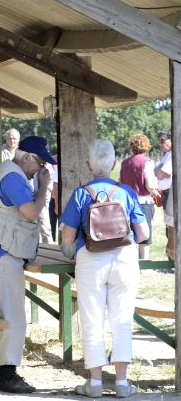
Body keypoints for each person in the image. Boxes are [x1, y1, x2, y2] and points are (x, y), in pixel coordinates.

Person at [60, 139, 148, 398]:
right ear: (114, 164)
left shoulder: (80, 193)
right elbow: (142, 234)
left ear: (88, 165)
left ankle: (95, 384)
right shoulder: (127, 192)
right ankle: (122, 383)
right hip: (124, 259)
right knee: (122, 319)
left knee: (92, 319)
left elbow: (66, 237)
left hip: (91, 260)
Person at [0, 135, 55, 393]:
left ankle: (5, 373)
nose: (41, 168)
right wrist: (45, 185)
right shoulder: (12, 176)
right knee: (14, 318)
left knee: (9, 315)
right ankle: (7, 376)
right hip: (0, 254)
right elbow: (33, 211)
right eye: (39, 162)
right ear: (26, 157)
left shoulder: (11, 173)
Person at [119, 134, 157, 260]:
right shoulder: (147, 163)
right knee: (145, 233)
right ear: (146, 147)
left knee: (129, 231)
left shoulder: (124, 163)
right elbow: (149, 184)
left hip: (127, 201)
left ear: (131, 147)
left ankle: (131, 259)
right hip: (143, 201)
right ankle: (144, 262)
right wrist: (154, 191)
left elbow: (120, 182)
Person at [154, 129, 175, 263]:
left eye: (163, 140)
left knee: (171, 228)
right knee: (169, 228)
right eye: (159, 141)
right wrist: (159, 169)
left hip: (170, 195)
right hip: (166, 194)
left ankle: (172, 261)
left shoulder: (173, 154)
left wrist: (158, 169)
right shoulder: (168, 155)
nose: (160, 144)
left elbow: (160, 173)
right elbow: (157, 171)